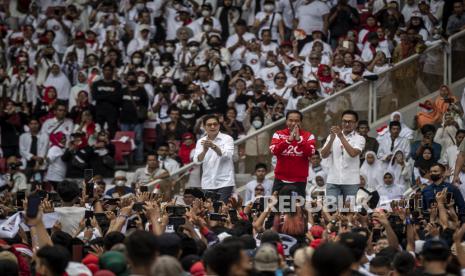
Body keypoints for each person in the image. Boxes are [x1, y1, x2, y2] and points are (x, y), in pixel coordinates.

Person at [321, 110, 365, 202]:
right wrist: (331, 140)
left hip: (351, 182)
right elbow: (324, 155)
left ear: (356, 123)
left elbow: (353, 153)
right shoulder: (332, 136)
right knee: (331, 210)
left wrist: (341, 136)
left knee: (348, 212)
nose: (347, 124)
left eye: (350, 122)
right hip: (333, 180)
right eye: (344, 121)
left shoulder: (360, 138)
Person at [269, 110, 316, 197]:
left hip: (299, 181)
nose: (294, 123)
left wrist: (299, 140)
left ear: (301, 122)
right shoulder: (278, 134)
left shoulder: (309, 136)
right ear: (286, 121)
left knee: (298, 209)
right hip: (280, 179)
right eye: (291, 120)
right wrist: (288, 141)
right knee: (277, 209)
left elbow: (311, 152)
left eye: (297, 121)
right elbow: (273, 150)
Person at [193, 114, 235, 202]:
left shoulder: (227, 139)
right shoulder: (200, 141)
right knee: (209, 211)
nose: (213, 126)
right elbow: (197, 161)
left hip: (225, 182)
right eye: (209, 125)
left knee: (220, 211)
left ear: (219, 125)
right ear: (204, 127)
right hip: (207, 182)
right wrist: (204, 151)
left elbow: (228, 155)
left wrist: (214, 146)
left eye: (215, 124)